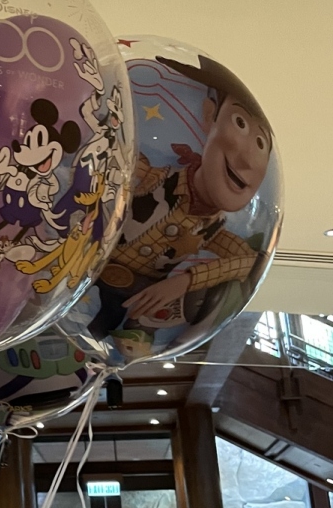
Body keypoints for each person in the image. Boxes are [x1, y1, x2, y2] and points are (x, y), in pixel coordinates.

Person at [88, 54, 273, 343]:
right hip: (84, 270)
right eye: (240, 123)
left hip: (128, 299)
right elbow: (109, 161)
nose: (248, 159)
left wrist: (185, 282)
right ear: (210, 116)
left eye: (261, 144)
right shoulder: (156, 178)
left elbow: (248, 262)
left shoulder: (213, 230)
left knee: (102, 330)